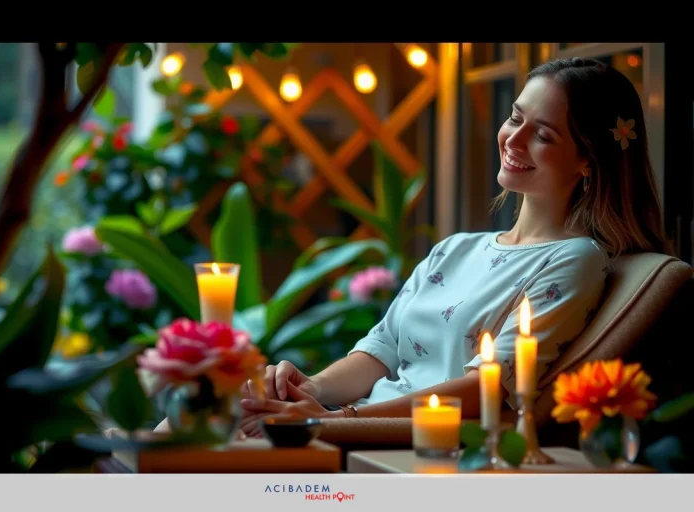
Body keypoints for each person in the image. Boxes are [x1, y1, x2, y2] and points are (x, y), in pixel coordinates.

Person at [235, 56, 674, 437]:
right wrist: (308, 388)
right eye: (516, 118)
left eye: (543, 135)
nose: (514, 141)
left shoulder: (574, 260)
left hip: (396, 443)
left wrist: (338, 421)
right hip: (346, 424)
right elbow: (380, 352)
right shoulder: (455, 249)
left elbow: (483, 388)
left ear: (587, 162)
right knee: (201, 422)